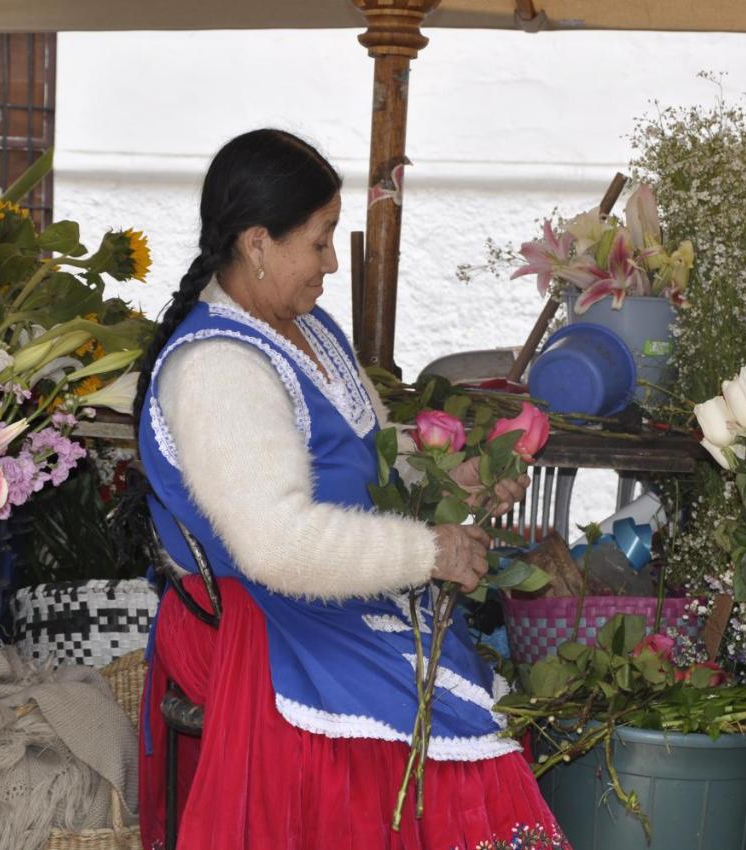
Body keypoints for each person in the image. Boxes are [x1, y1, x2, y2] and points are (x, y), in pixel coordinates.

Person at [132, 129, 569, 849]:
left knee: (461, 694)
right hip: (254, 621)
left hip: (319, 601)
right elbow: (277, 543)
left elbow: (353, 455)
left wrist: (449, 482)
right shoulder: (217, 369)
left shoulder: (308, 326)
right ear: (258, 244)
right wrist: (428, 549)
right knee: (439, 738)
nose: (334, 262)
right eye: (321, 240)